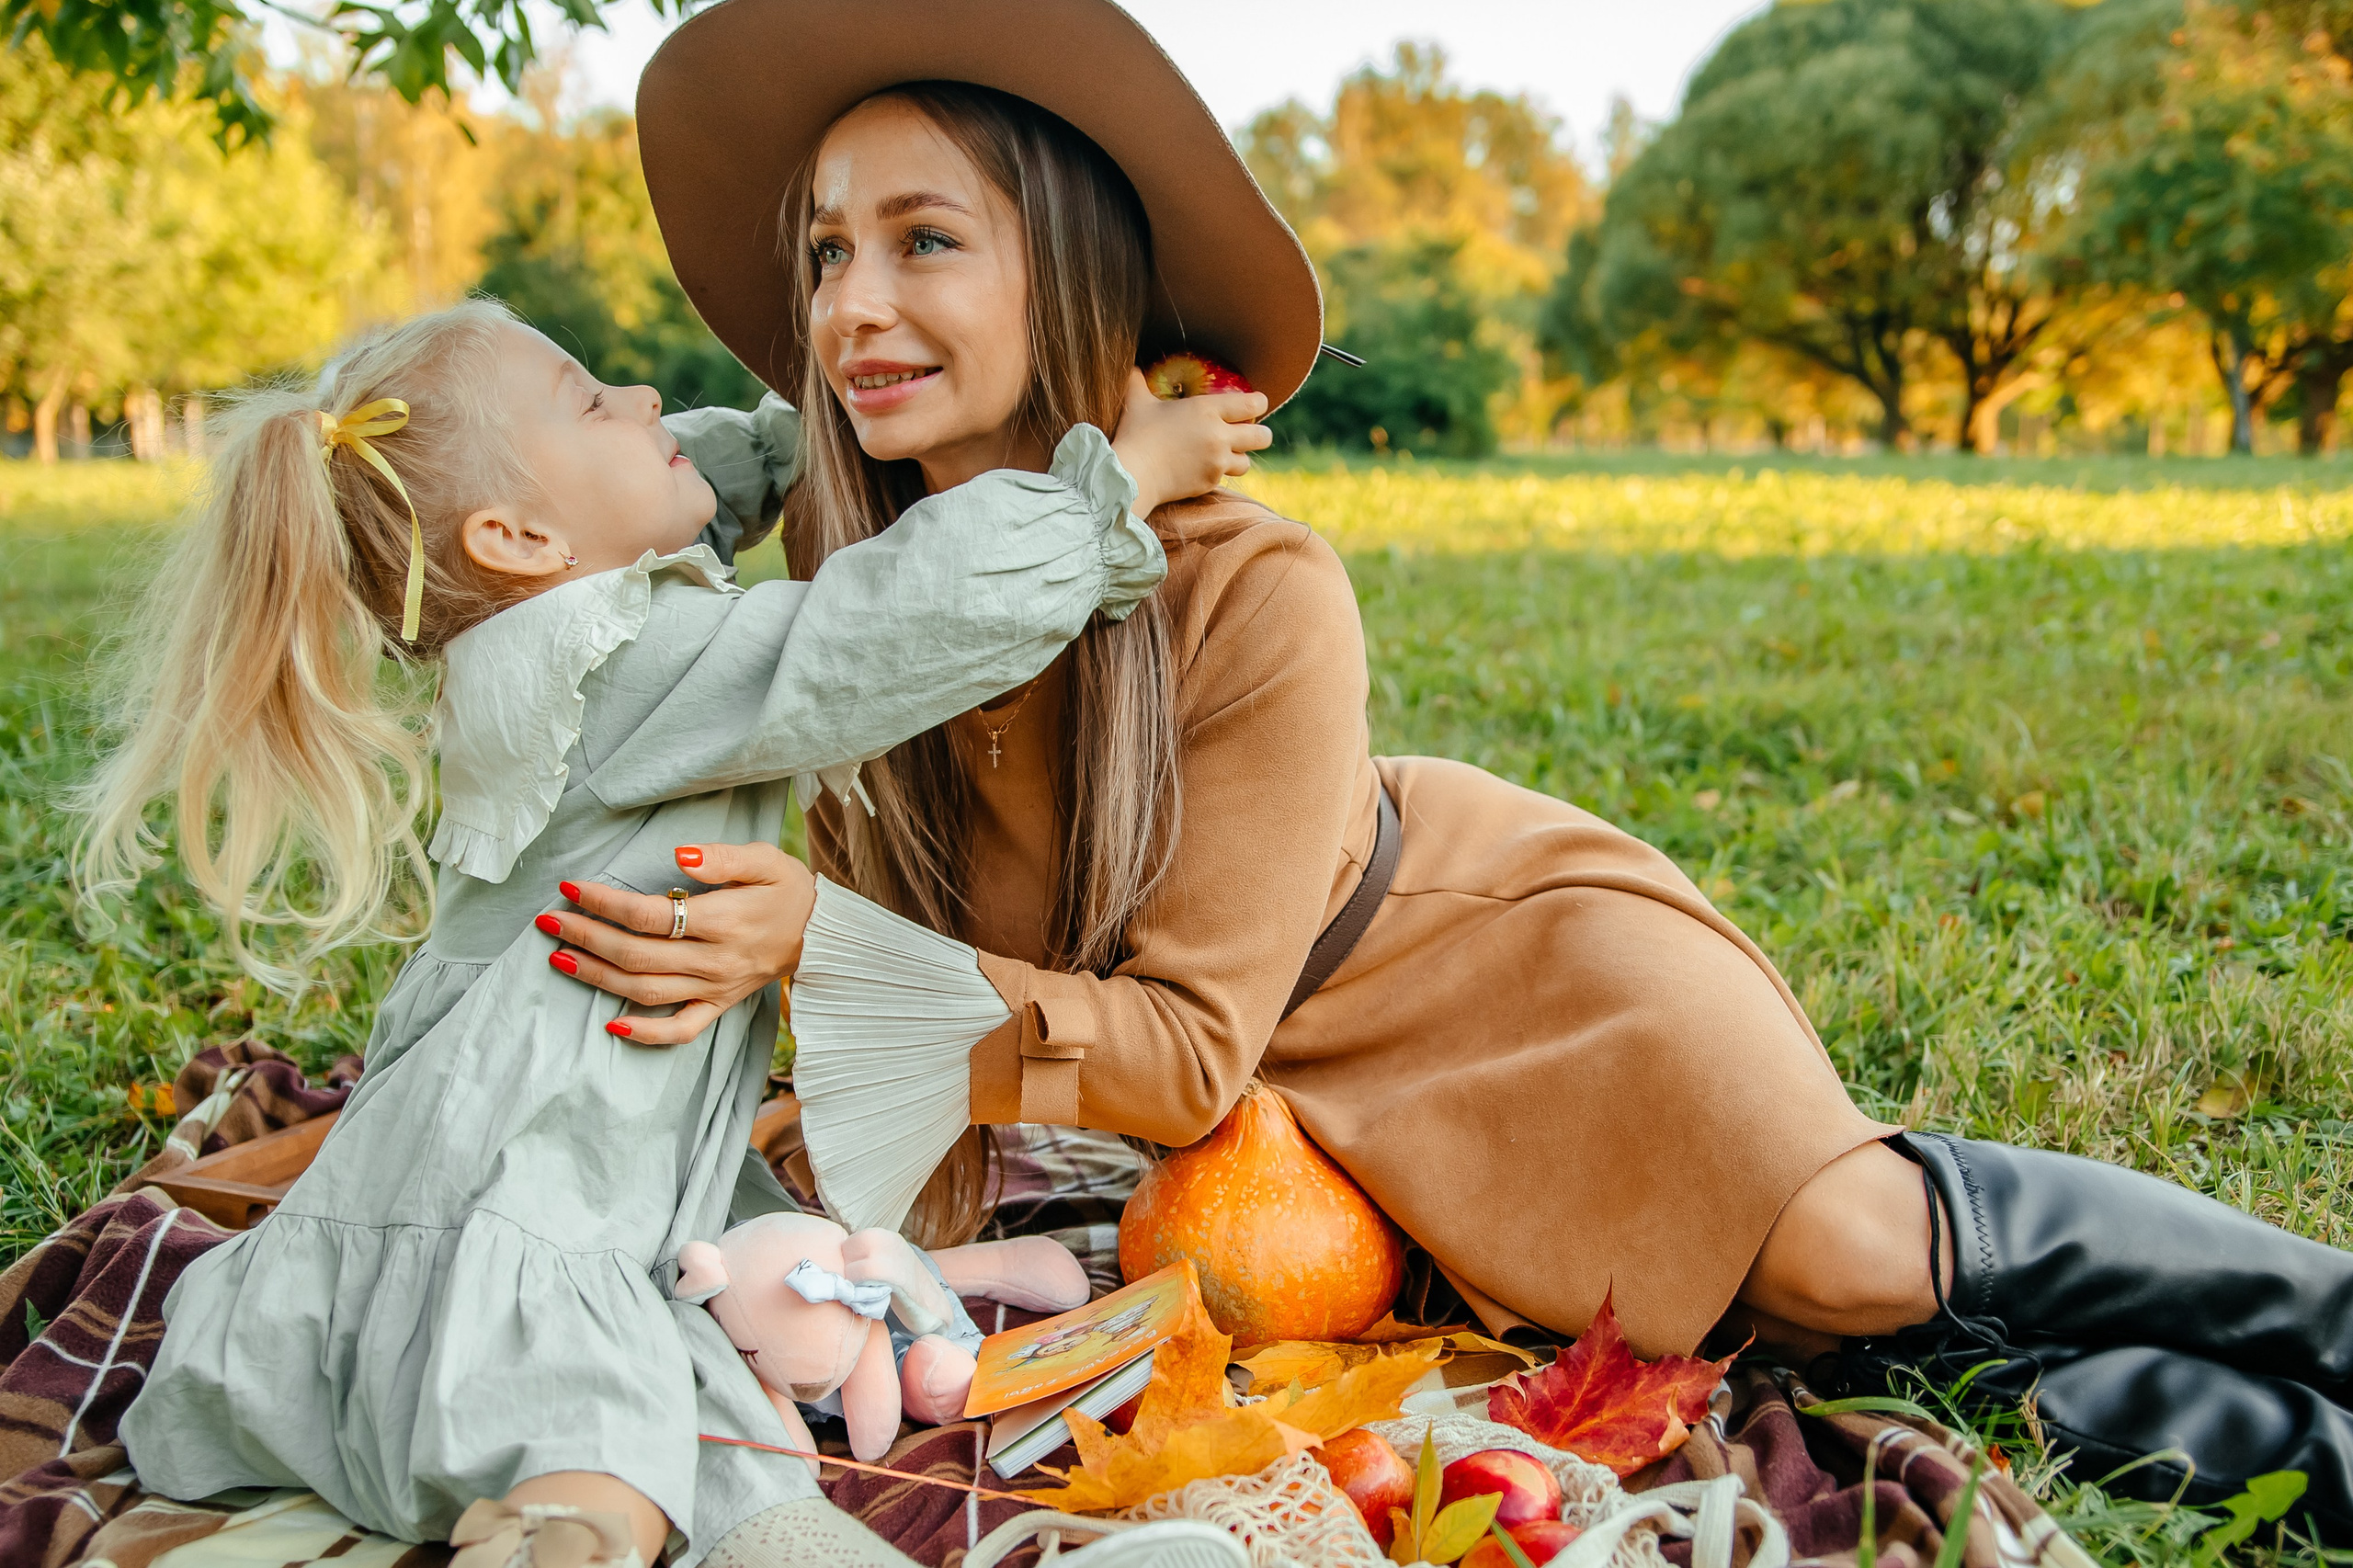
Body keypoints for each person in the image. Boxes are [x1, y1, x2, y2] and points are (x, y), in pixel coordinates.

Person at [547, 0, 2353, 1543]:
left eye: (923, 241)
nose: (855, 301)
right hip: (1288, 1115)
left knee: (1850, 1264)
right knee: (1768, 1350)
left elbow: (1172, 1059)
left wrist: (818, 952)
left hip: (1477, 971)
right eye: (825, 252)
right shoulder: (842, 633)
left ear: (1062, 261)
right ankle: (2317, 1463)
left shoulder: (1254, 591)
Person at [79, 296, 1270, 1568]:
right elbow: (884, 625)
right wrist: (1117, 485)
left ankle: (680, 1536)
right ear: (519, 533)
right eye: (595, 400)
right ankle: (549, 1538)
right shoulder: (621, 663)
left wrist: (827, 421)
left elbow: (682, 471)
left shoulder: (545, 621)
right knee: (594, 1410)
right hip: (541, 1174)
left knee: (692, 1407)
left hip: (612, 1177)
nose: (648, 404)